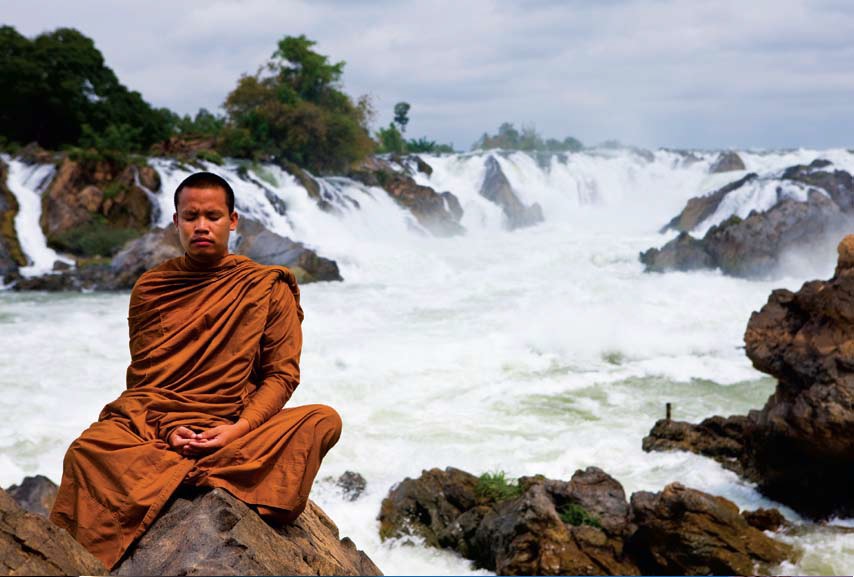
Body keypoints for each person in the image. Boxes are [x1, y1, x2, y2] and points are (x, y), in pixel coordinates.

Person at [50, 171, 342, 570]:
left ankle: (174, 470)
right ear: (176, 222)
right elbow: (143, 383)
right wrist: (169, 427)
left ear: (233, 220)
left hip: (235, 425)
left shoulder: (265, 285)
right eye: (191, 216)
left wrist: (238, 429)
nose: (201, 226)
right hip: (161, 424)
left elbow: (281, 376)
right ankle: (202, 469)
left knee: (323, 420)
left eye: (213, 216)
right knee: (87, 450)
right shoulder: (153, 288)